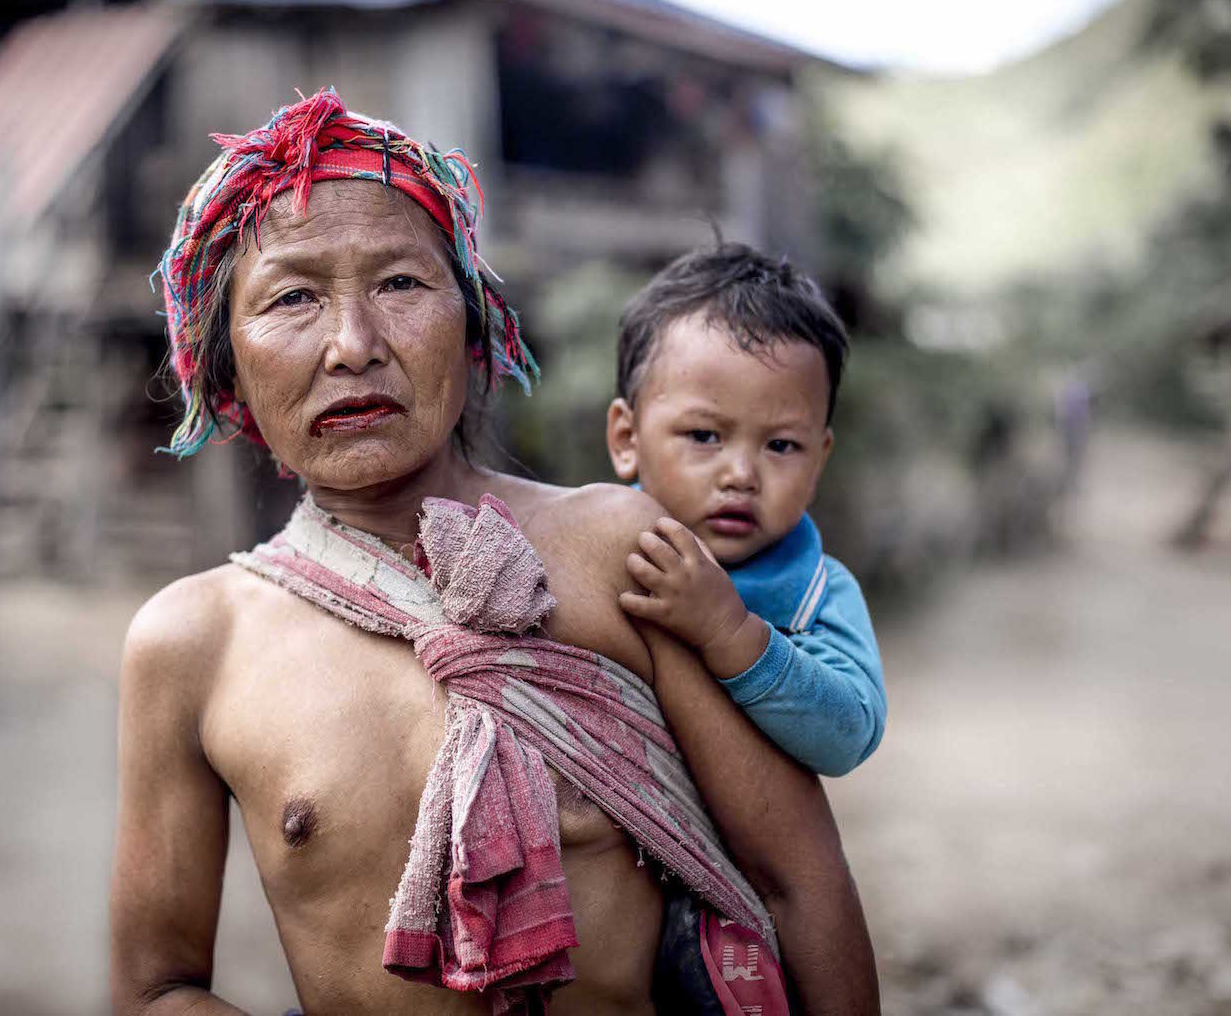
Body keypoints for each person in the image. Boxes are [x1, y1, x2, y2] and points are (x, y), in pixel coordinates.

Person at [109, 90, 878, 1016]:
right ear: (227, 361)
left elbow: (798, 879)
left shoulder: (626, 554)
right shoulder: (191, 645)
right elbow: (156, 988)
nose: (353, 345)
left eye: (400, 284)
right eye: (292, 297)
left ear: (472, 325)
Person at [605, 246, 885, 778]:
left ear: (819, 460)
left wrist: (731, 634)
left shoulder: (816, 593)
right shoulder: (592, 543)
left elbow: (851, 735)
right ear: (627, 439)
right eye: (704, 436)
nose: (741, 475)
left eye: (780, 446)